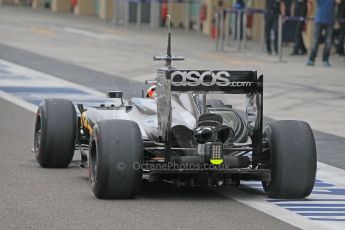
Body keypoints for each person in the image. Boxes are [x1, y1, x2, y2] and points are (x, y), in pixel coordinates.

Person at [307, 0, 341, 67]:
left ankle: (325, 60)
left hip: (330, 20)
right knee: (315, 40)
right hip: (319, 19)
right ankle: (311, 59)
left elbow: (339, 2)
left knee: (328, 41)